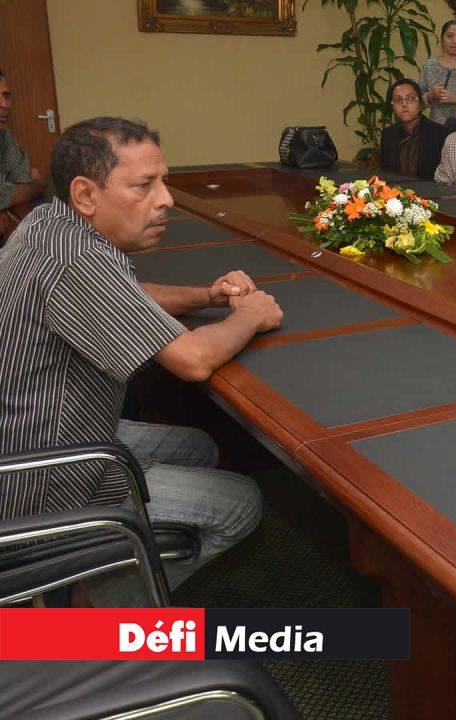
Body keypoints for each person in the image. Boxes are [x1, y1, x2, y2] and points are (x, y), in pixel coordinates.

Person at [0, 117, 285, 606]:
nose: (166, 199)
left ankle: (111, 575)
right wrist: (251, 316)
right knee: (242, 505)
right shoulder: (75, 258)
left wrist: (207, 295)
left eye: (164, 181)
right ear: (86, 194)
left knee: (197, 446)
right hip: (40, 479)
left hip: (36, 433)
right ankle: (110, 624)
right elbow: (193, 360)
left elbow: (127, 296)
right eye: (144, 185)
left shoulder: (51, 223)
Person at [0, 69, 48, 240]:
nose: (4, 104)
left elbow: (20, 180)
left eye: (6, 96)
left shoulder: (4, 137)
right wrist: (38, 186)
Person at [379, 79, 447, 180]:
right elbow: (385, 174)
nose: (404, 104)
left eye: (410, 98)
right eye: (398, 100)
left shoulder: (440, 133)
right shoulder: (388, 134)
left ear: (420, 104)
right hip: (395, 193)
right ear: (392, 107)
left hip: (431, 193)